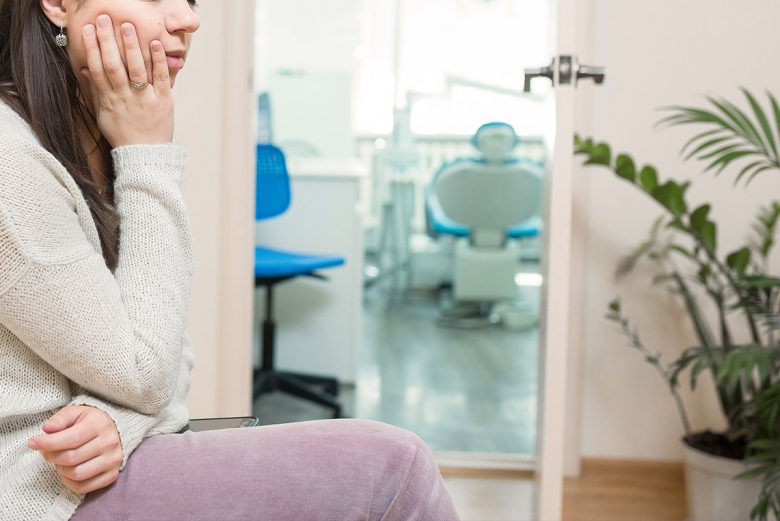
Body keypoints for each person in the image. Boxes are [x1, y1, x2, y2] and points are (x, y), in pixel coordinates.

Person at [0, 1, 461, 520]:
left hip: (93, 470)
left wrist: (117, 419)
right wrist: (148, 153)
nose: (188, 19)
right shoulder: (11, 160)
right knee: (396, 468)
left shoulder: (87, 142)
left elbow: (167, 351)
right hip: (36, 493)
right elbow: (146, 372)